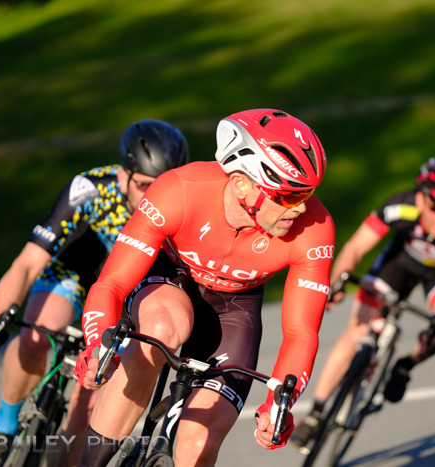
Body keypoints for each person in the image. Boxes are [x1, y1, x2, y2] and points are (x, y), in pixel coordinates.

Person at [72, 108, 335, 466]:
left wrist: (280, 403)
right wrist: (97, 346)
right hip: (172, 277)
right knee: (166, 327)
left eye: (308, 192)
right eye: (288, 195)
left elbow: (301, 332)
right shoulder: (180, 190)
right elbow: (113, 283)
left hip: (235, 308)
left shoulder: (315, 229)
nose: (300, 209)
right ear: (243, 184)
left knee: (199, 443)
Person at [0, 119, 189, 467]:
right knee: (37, 337)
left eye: (159, 186)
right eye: (144, 185)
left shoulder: (179, 205)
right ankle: (4, 424)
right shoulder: (88, 189)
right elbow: (27, 263)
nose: (151, 195)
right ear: (123, 175)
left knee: (88, 408)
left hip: (124, 290)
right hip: (75, 273)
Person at [290, 158, 435, 448]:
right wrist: (335, 285)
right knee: (357, 331)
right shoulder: (401, 206)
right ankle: (315, 414)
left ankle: (404, 366)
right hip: (398, 265)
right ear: (421, 199)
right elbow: (356, 247)